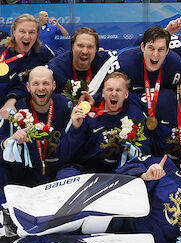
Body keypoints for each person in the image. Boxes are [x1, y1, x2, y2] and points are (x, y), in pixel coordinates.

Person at [0, 66, 71, 201]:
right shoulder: (16, 111)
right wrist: (8, 143)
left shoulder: (65, 106)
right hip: (24, 176)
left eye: (46, 83)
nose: (41, 88)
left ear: (54, 85)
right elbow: (2, 140)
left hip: (57, 175)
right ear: (28, 87)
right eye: (36, 84)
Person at [56, 72, 150, 174]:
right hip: (87, 170)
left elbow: (146, 148)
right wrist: (76, 129)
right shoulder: (86, 113)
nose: (114, 93)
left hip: (122, 171)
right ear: (103, 93)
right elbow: (64, 156)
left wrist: (132, 150)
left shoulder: (135, 114)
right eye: (110, 89)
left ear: (126, 94)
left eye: (118, 90)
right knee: (65, 172)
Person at [0, 14, 54, 119]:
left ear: (37, 34)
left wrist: (12, 99)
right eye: (22, 31)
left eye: (32, 32)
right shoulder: (2, 50)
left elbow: (60, 62)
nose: (27, 36)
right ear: (13, 31)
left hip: (15, 111)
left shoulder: (43, 53)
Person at [47, 27, 112, 93]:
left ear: (96, 49)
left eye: (90, 47)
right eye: (80, 46)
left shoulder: (106, 62)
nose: (85, 51)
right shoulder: (57, 67)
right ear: (72, 46)